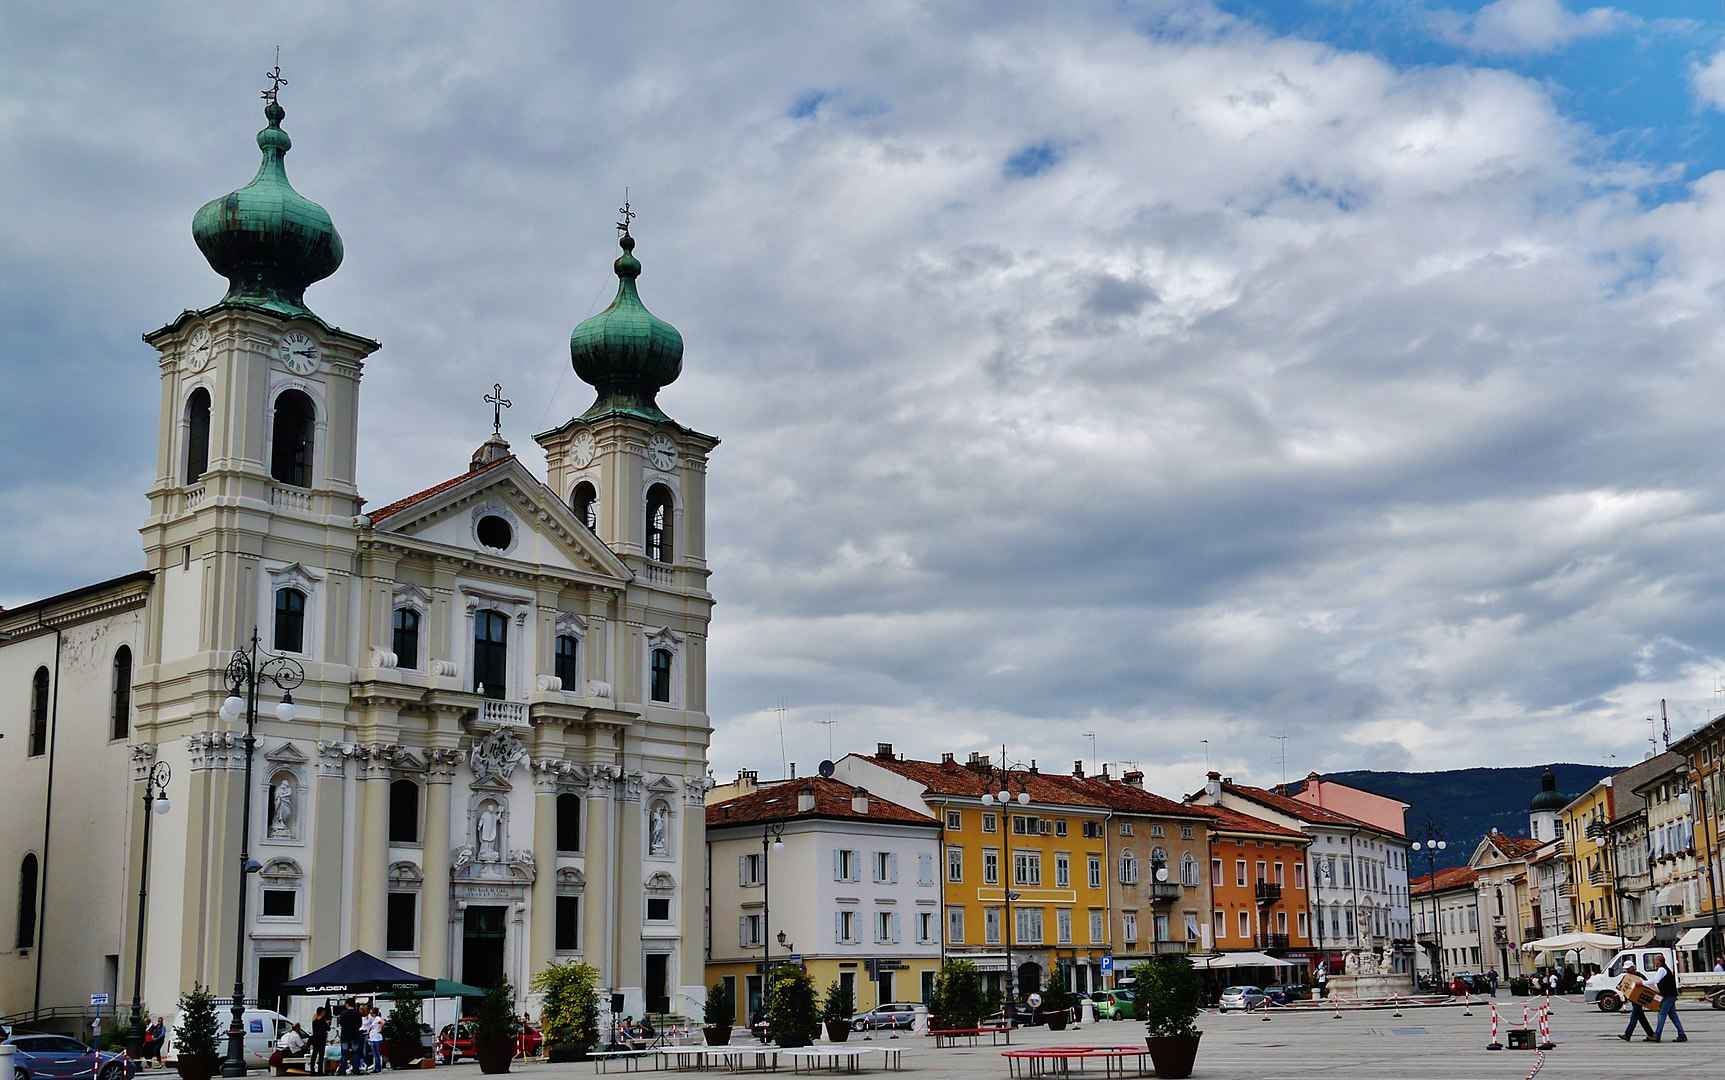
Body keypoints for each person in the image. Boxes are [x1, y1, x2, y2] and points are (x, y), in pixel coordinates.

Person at [1649, 954, 1687, 1043]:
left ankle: (1657, 1035)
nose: (1654, 962)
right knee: (1673, 1016)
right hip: (1671, 995)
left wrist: (1642, 983)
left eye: (1655, 961)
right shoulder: (1665, 968)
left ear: (1659, 961)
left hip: (1668, 996)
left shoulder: (1662, 969)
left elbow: (1655, 980)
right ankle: (1682, 1034)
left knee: (1661, 1014)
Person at [1618, 959, 1655, 1041]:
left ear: (1633, 967)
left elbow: (1647, 985)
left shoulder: (1639, 976)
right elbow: (1621, 985)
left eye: (1628, 968)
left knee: (1634, 1017)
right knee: (1641, 1017)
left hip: (1638, 999)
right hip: (1633, 999)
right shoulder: (1627, 976)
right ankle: (1651, 1034)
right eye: (1626, 969)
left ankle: (1628, 1035)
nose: (1627, 970)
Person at [337, 999, 364, 1076]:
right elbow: (360, 1024)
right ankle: (356, 1069)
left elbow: (341, 1024)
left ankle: (342, 1070)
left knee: (344, 1053)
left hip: (345, 1036)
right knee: (356, 1053)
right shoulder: (357, 1013)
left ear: (347, 1004)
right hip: (355, 1035)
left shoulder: (342, 1013)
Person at [308, 1007, 329, 1076]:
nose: (325, 1013)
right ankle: (320, 1071)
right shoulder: (322, 1020)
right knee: (321, 1055)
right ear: (322, 1012)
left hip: (315, 1039)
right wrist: (327, 1023)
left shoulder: (314, 1019)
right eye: (324, 1012)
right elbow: (327, 1028)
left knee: (314, 1055)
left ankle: (312, 1070)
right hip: (321, 1039)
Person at [366, 1005, 386, 1072]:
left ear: (374, 1013)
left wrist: (380, 1028)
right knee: (375, 1054)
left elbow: (383, 1022)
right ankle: (377, 1067)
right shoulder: (373, 1018)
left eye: (372, 1012)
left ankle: (378, 1068)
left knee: (376, 1053)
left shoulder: (377, 1018)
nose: (371, 1013)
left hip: (376, 1037)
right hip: (373, 1037)